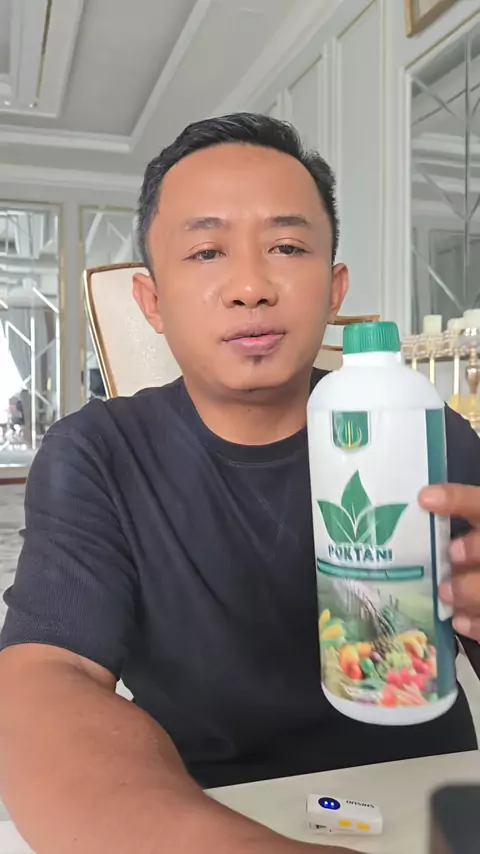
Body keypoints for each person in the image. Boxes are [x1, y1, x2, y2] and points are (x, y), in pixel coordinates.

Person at [0, 113, 479, 854]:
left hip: (427, 795)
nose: (251, 287)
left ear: (334, 289)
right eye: (206, 251)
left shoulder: (424, 432)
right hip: (204, 809)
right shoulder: (98, 452)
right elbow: (46, 680)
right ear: (152, 302)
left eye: (287, 247)